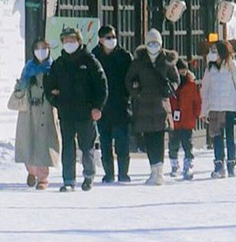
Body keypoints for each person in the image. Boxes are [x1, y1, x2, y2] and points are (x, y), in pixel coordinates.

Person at [44, 28, 108, 191]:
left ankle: (88, 176)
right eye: (65, 41)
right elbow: (49, 86)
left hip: (86, 112)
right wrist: (55, 99)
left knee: (87, 146)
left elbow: (101, 86)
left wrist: (97, 107)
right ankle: (69, 180)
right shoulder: (59, 63)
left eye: (72, 40)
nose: (69, 43)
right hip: (66, 113)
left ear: (79, 41)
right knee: (68, 147)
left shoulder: (89, 61)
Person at [126, 29, 180, 186]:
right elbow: (129, 79)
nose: (153, 46)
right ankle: (153, 169)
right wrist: (137, 93)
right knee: (149, 138)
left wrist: (170, 89)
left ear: (161, 44)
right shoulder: (139, 61)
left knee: (159, 138)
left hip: (161, 105)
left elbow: (175, 79)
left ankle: (160, 171)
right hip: (144, 105)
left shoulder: (168, 61)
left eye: (156, 43)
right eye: (150, 43)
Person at [13, 40, 61, 190]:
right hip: (29, 110)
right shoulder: (28, 67)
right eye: (38, 48)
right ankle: (31, 171)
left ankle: (43, 177)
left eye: (44, 48)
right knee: (28, 139)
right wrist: (20, 86)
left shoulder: (54, 68)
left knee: (44, 142)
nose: (41, 51)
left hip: (46, 108)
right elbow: (21, 86)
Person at [201, 39, 236, 179]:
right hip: (215, 109)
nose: (212, 54)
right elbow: (205, 91)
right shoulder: (209, 69)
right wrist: (204, 111)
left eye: (215, 51)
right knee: (216, 137)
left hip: (230, 109)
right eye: (211, 51)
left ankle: (231, 164)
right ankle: (218, 165)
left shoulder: (232, 67)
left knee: (230, 138)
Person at [94, 25, 134, 183]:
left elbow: (131, 78)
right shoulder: (95, 56)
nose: (112, 40)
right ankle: (108, 173)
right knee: (105, 142)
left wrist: (129, 95)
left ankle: (123, 173)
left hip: (121, 105)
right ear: (101, 40)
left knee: (122, 142)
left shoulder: (124, 56)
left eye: (113, 37)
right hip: (103, 106)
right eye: (108, 37)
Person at [168, 59, 201, 180]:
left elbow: (197, 101)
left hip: (187, 119)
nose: (182, 72)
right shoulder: (171, 84)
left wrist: (196, 114)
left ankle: (188, 166)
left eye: (184, 70)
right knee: (173, 144)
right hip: (174, 121)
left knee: (188, 144)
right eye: (180, 70)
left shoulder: (191, 85)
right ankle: (174, 165)